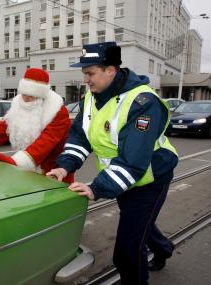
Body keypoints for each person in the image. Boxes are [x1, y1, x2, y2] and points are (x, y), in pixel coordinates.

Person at [46, 42, 178, 285]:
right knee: (137, 222)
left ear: (111, 70)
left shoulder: (143, 102)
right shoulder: (91, 98)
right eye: (84, 74)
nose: (85, 80)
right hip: (121, 178)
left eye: (90, 73)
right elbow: (80, 136)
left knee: (127, 250)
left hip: (150, 179)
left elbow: (133, 161)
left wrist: (97, 188)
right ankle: (163, 248)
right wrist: (65, 165)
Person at [0, 67, 74, 183]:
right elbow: (3, 127)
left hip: (55, 170)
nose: (26, 98)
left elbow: (47, 140)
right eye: (24, 94)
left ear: (41, 95)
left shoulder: (57, 111)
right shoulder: (19, 102)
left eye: (31, 95)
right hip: (31, 171)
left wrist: (19, 162)